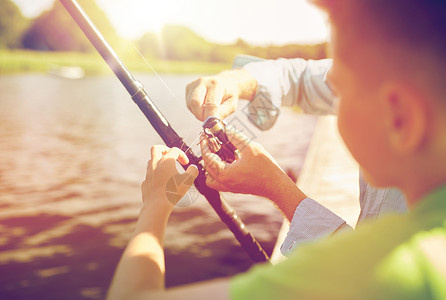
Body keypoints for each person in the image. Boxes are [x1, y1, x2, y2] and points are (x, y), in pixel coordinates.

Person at [107, 0, 446, 299]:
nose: (332, 102)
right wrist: (234, 83)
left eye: (339, 92)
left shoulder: (391, 268)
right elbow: (299, 78)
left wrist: (156, 203)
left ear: (401, 119)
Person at [186, 55, 407, 255]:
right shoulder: (392, 69)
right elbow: (300, 77)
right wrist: (234, 81)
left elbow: (371, 271)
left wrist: (277, 188)